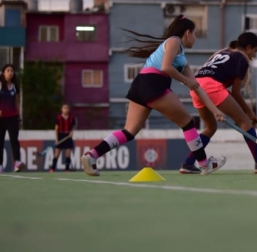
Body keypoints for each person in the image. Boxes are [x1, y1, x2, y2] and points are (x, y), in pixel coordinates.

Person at [81, 16, 226, 176]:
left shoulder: (183, 61)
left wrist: (214, 110)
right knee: (187, 122)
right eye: (195, 34)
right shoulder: (174, 41)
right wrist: (186, 80)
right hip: (153, 83)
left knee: (129, 132)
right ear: (187, 33)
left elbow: (197, 87)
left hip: (140, 85)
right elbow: (165, 67)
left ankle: (92, 156)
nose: (195, 38)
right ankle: (204, 164)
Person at [180, 32, 257, 174]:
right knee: (245, 123)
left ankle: (188, 163)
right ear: (248, 47)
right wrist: (249, 113)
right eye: (255, 51)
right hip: (211, 87)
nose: (255, 55)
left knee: (210, 127)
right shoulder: (241, 59)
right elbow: (236, 93)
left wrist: (247, 111)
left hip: (196, 87)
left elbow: (230, 92)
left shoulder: (223, 52)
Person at [0, 64, 23, 173]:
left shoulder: (15, 86)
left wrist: (19, 119)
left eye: (12, 70)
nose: (10, 72)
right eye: (8, 70)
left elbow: (16, 103)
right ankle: (0, 165)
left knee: (14, 140)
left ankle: (17, 162)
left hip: (12, 117)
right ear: (3, 73)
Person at [51, 104, 77, 173]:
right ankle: (52, 168)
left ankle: (67, 168)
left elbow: (73, 127)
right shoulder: (59, 118)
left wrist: (71, 132)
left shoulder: (71, 118)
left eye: (67, 108)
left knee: (68, 153)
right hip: (61, 135)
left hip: (68, 136)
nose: (66, 109)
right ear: (61, 109)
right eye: (64, 108)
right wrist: (56, 139)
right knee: (57, 153)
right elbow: (56, 129)